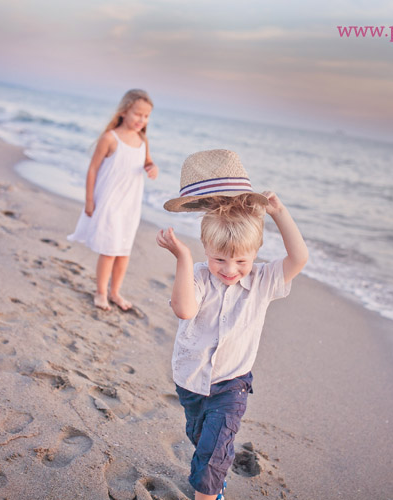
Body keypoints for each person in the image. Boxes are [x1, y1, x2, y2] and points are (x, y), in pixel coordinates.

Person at [156, 150, 308, 500]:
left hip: (232, 384)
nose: (229, 268)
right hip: (191, 379)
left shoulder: (263, 280)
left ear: (255, 253)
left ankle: (210, 491)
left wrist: (280, 213)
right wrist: (183, 258)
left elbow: (299, 258)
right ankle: (216, 470)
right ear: (205, 248)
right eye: (219, 259)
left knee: (212, 451)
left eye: (241, 260)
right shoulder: (197, 275)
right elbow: (183, 310)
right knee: (200, 438)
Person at [67, 89, 158, 311]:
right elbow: (92, 169)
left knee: (123, 251)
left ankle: (115, 292)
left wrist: (152, 167)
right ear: (125, 111)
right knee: (109, 250)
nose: (141, 120)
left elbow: (147, 161)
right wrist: (89, 200)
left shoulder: (142, 139)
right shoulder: (110, 138)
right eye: (138, 114)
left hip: (130, 205)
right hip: (109, 202)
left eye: (146, 116)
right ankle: (100, 292)